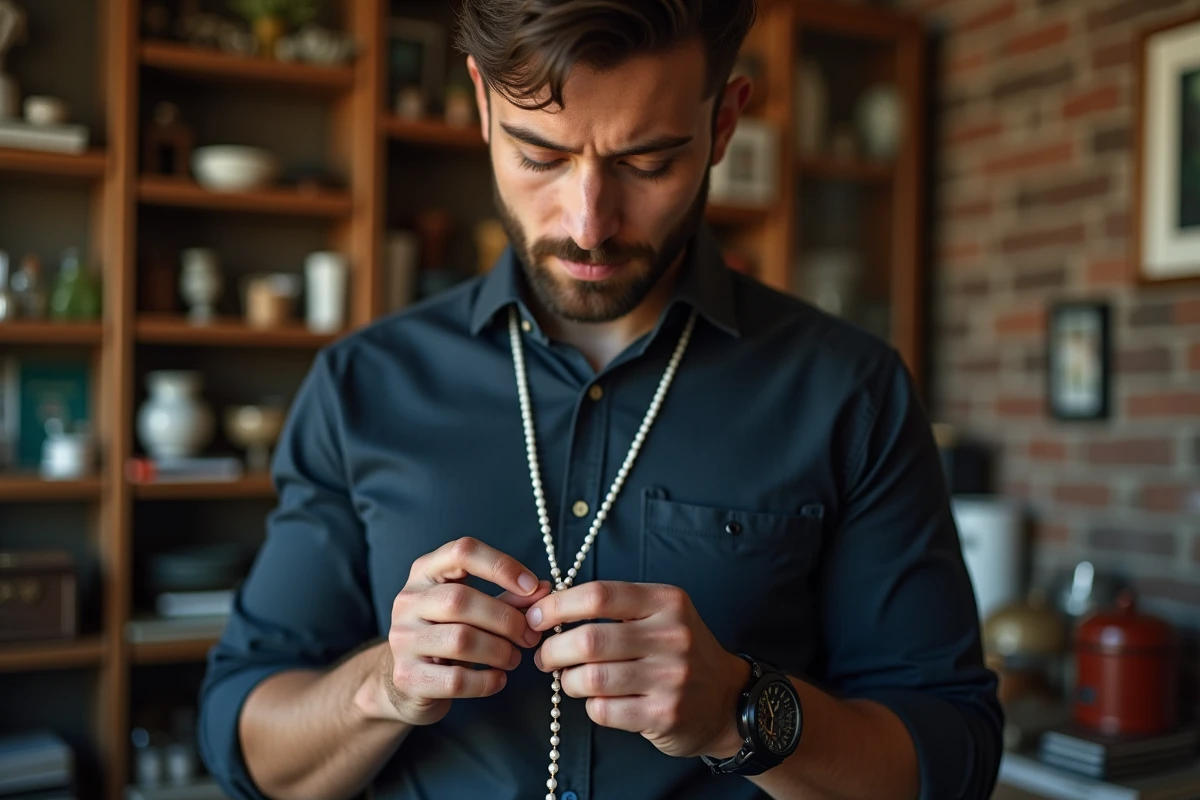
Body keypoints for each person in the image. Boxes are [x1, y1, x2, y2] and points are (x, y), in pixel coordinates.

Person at [197, 2, 1003, 799]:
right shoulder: (361, 386)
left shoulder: (851, 392)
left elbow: (951, 757)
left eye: (647, 163)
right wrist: (380, 687)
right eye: (539, 156)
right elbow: (248, 745)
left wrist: (739, 710)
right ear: (482, 105)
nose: (588, 224)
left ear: (723, 123)